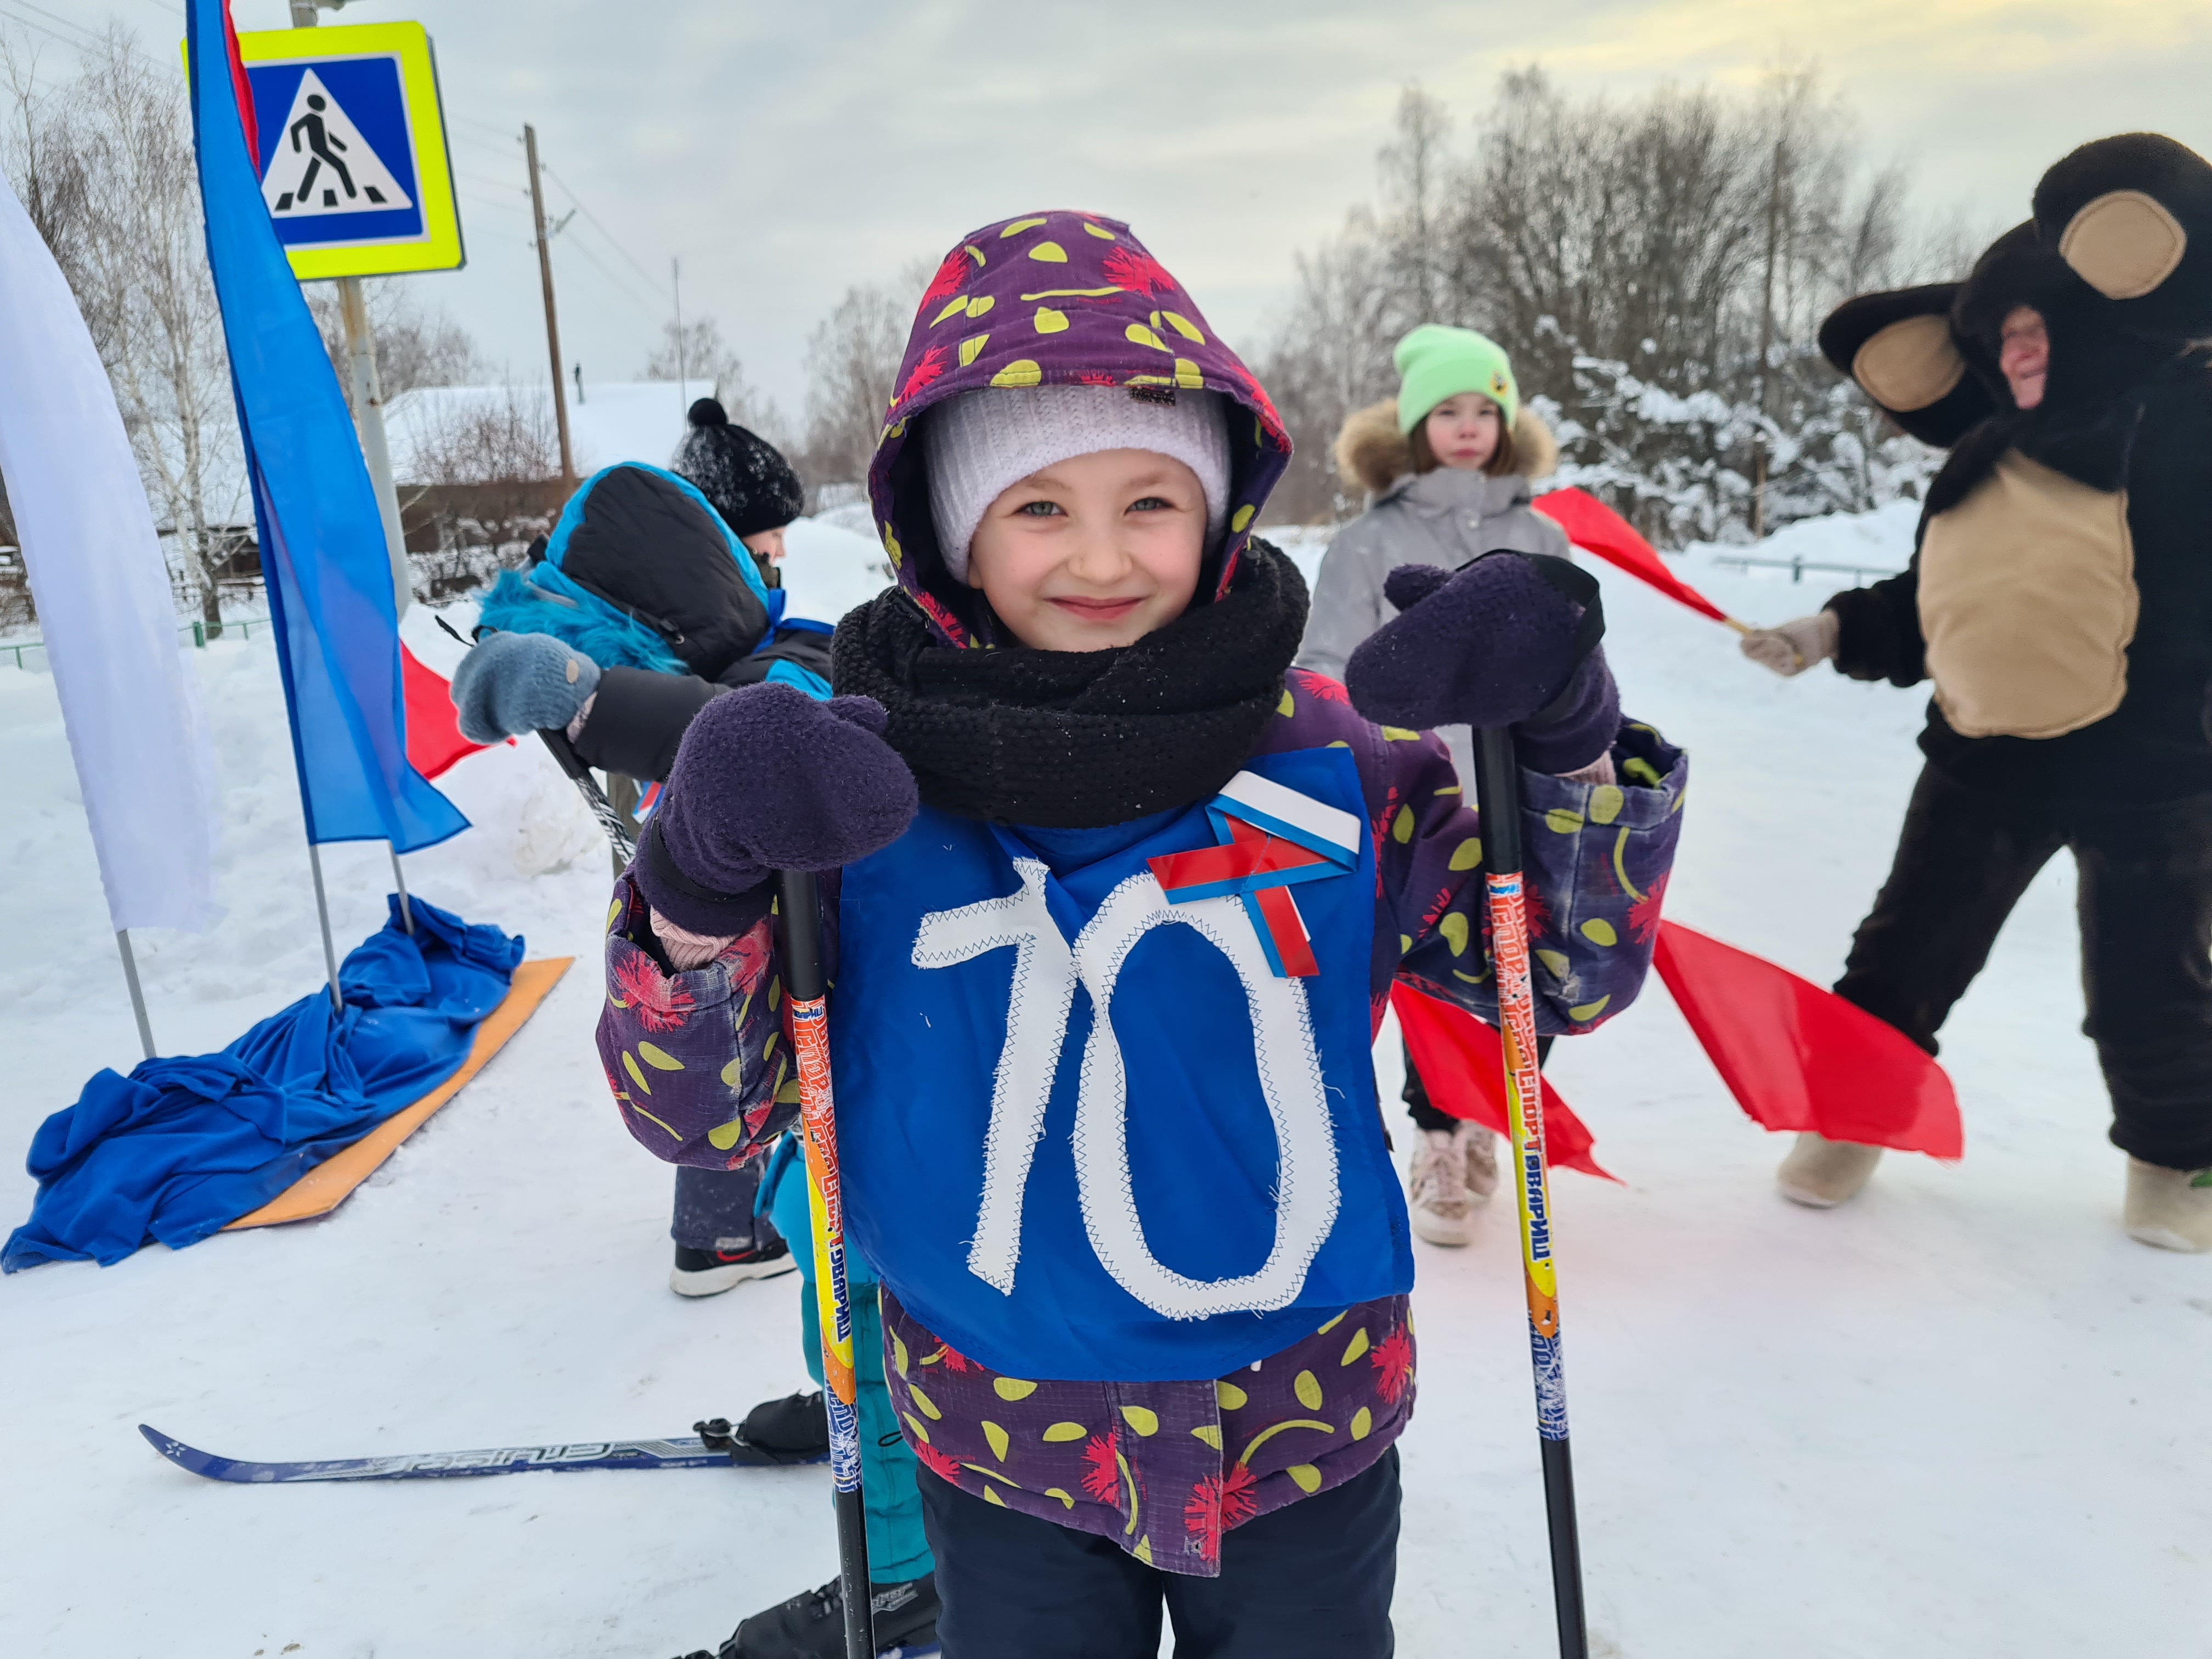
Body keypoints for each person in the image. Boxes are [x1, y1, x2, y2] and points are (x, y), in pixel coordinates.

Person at [596, 211, 1686, 1658]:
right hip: (1005, 1439)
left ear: (1223, 507)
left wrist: (1564, 739)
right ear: (950, 528)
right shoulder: (865, 799)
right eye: (1038, 507)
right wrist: (696, 879)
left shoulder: (1329, 761)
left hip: (1307, 1419)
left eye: (1151, 502)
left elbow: (1559, 969)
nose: (1101, 556)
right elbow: (699, 1120)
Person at [1739, 133, 2212, 1251]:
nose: (2022, 351)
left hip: (2151, 766)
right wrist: (1830, 628)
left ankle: (2179, 1161)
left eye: (2041, 329)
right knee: (1903, 952)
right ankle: (1849, 1120)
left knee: (2150, 977)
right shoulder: (1983, 457)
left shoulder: (2184, 424)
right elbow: (1946, 594)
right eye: (2002, 336)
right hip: (1981, 751)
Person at [1297, 325, 1584, 1248]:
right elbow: (1325, 668)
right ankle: (1435, 1135)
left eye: (1484, 411)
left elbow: (1576, 658)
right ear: (1416, 428)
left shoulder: (1539, 535)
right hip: (1420, 796)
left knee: (1523, 967)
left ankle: (1484, 1118)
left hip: (1525, 790)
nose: (1467, 428)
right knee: (1433, 974)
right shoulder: (1369, 541)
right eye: (1448, 412)